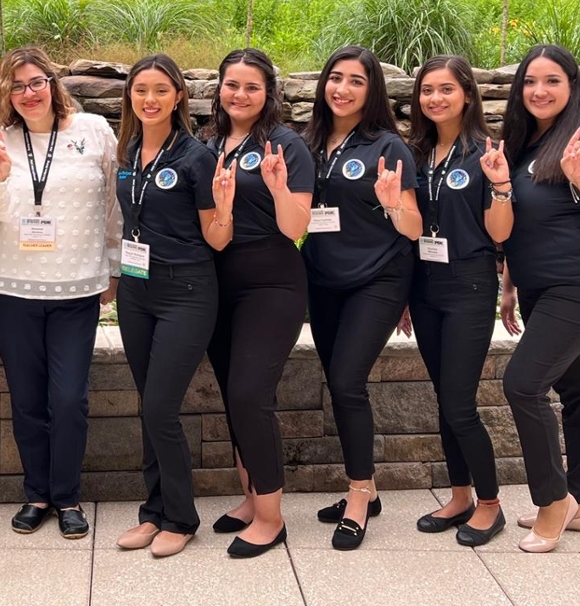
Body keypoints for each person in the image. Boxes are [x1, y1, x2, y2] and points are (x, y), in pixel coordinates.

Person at [0, 46, 121, 541]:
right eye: (16, 86)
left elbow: (113, 204)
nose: (28, 93)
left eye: (36, 82)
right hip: (13, 286)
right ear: (4, 94)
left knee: (70, 398)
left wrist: (113, 267)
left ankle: (68, 496)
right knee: (28, 399)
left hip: (77, 285)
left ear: (53, 84)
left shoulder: (94, 130)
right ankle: (37, 494)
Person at [499, 44, 580, 553]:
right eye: (531, 81)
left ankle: (553, 504)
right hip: (538, 288)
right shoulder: (525, 145)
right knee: (576, 392)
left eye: (552, 80)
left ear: (572, 87)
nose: (539, 90)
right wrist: (510, 284)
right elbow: (526, 225)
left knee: (523, 385)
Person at [301, 45, 421, 551]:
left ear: (371, 91)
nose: (342, 88)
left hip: (377, 280)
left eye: (356, 80)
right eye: (335, 77)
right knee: (337, 380)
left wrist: (394, 204)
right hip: (322, 279)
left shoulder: (388, 146)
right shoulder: (306, 143)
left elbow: (413, 228)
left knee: (348, 383)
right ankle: (366, 491)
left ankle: (357, 496)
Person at [112, 55, 233, 558]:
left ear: (179, 96)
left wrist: (224, 209)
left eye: (161, 90)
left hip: (185, 291)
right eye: (141, 89)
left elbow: (217, 239)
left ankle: (181, 517)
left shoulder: (195, 156)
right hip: (136, 290)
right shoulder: (130, 150)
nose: (150, 99)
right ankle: (154, 511)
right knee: (149, 407)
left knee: (161, 407)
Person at [202, 47, 314, 559]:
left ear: (268, 92)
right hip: (215, 284)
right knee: (231, 394)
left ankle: (271, 517)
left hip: (271, 283)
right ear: (218, 89)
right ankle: (250, 497)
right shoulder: (206, 144)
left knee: (251, 394)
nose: (239, 94)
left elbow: (296, 229)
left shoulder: (285, 145)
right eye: (231, 85)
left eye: (251, 86)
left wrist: (278, 187)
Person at [407, 55, 513, 548]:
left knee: (459, 403)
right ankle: (459, 495)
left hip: (469, 285)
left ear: (467, 94)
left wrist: (500, 185)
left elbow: (500, 235)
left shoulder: (485, 153)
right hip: (424, 288)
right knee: (443, 400)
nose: (435, 99)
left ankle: (490, 505)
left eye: (446, 89)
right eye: (427, 90)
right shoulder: (417, 153)